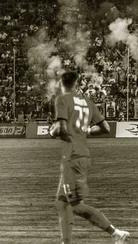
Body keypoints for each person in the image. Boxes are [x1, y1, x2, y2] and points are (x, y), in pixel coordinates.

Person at [49, 71, 130, 244]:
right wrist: (85, 131)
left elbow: (61, 129)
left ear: (61, 84)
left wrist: (53, 132)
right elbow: (106, 128)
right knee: (62, 203)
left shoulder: (62, 100)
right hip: (81, 154)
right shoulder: (88, 102)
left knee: (75, 205)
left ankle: (115, 233)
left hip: (71, 156)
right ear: (77, 84)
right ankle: (66, 241)